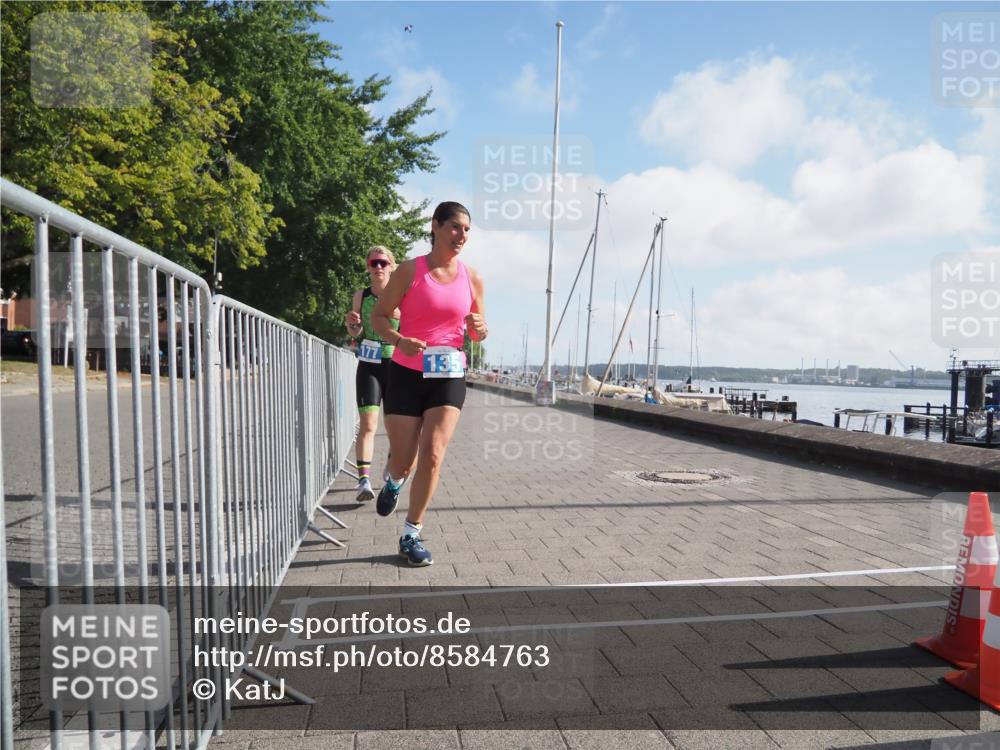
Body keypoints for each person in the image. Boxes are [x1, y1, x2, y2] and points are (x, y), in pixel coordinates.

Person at [371, 201, 486, 566]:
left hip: (448, 373)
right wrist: (398, 340)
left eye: (466, 229)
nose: (461, 236)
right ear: (435, 226)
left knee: (433, 453)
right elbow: (379, 316)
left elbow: (476, 329)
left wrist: (480, 330)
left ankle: (411, 532)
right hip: (405, 371)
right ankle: (393, 482)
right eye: (455, 227)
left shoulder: (472, 277)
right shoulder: (409, 271)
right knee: (404, 461)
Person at [344, 246, 400, 503]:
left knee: (395, 427)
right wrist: (352, 324)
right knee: (367, 424)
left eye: (383, 263)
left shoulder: (402, 295)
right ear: (368, 267)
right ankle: (363, 480)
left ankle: (390, 465)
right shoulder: (361, 295)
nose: (379, 267)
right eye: (374, 263)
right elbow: (356, 333)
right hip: (368, 364)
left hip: (396, 365)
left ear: (392, 266)